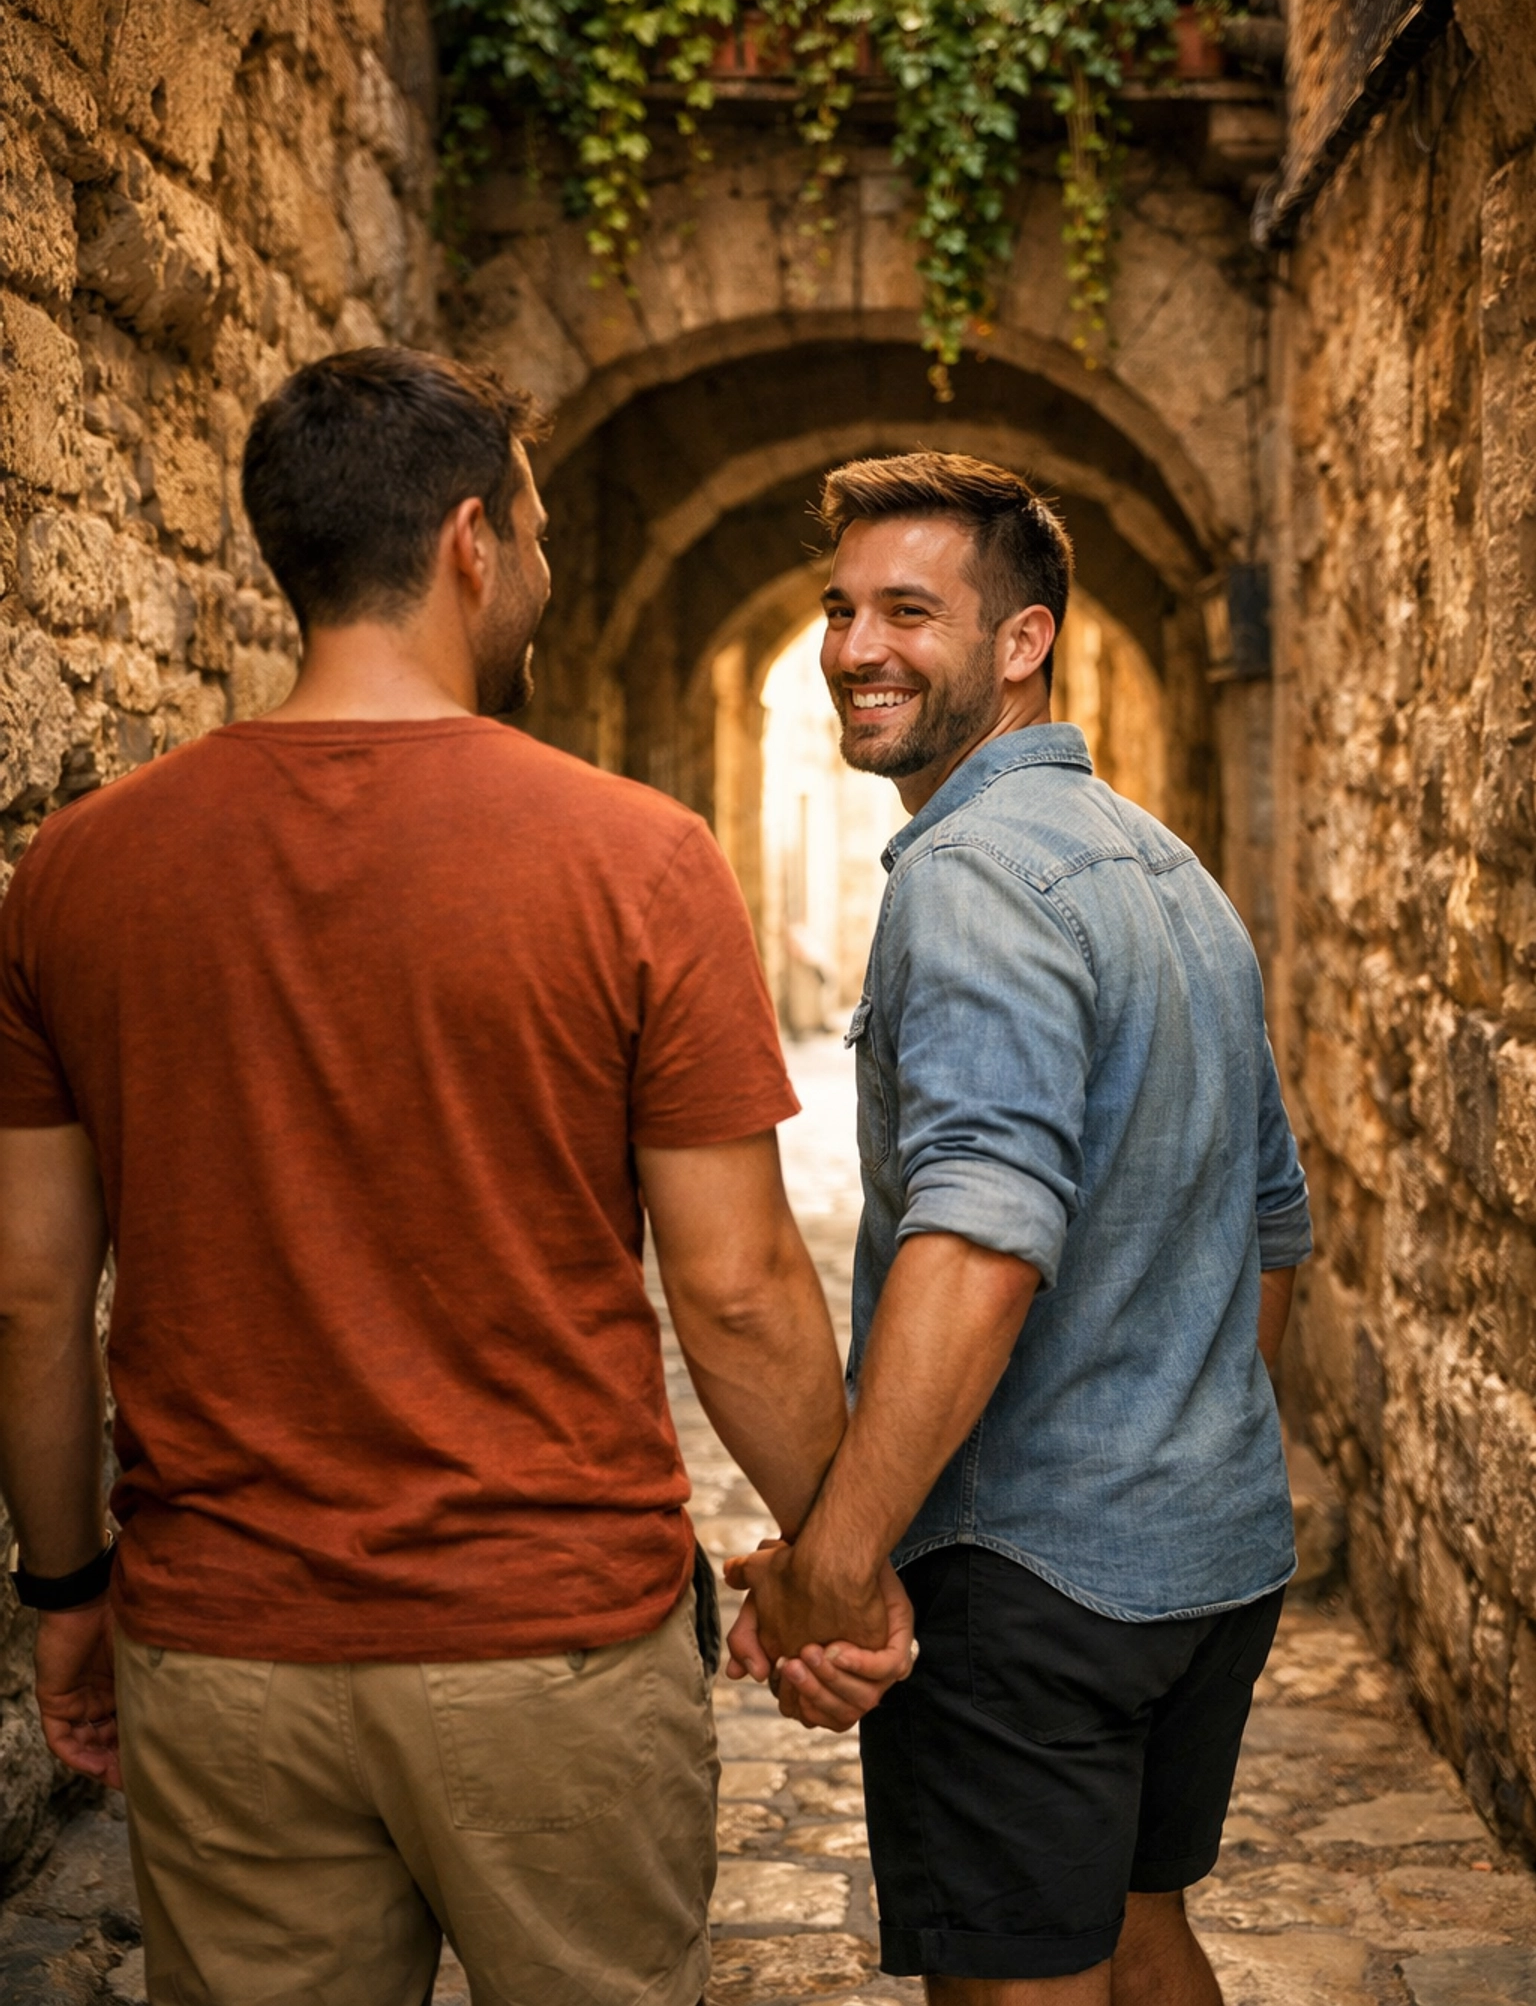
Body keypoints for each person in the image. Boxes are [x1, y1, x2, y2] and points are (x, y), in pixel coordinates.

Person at [0, 346, 895, 2006]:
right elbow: (738, 1286)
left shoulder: (79, 872)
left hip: (224, 1647)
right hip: (550, 1648)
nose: (545, 573)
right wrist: (834, 1556)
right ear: (474, 541)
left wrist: (68, 1590)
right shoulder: (636, 859)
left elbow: (33, 1295)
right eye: (542, 535)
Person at [729, 452, 1312, 2005]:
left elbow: (981, 1245)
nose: (856, 647)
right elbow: (1270, 1235)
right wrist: (1171, 1450)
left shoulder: (975, 875)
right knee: (1142, 1929)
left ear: (1022, 640)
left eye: (909, 610)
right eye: (841, 609)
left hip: (1027, 1591)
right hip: (1209, 1563)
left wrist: (841, 1566)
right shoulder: (1171, 872)